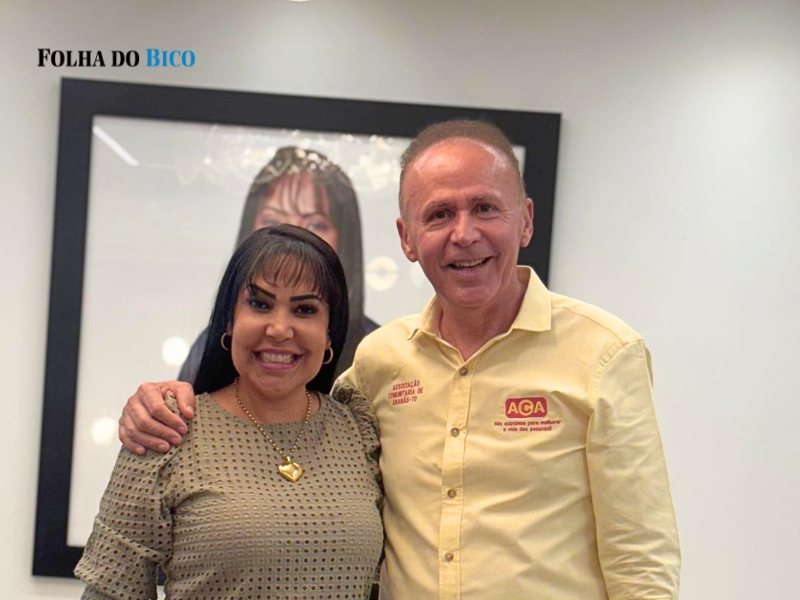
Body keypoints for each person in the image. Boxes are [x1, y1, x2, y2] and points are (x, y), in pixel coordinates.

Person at [119, 121, 681, 599]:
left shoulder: (603, 353)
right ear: (407, 238)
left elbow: (641, 563)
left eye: (485, 208)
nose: (464, 234)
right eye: (439, 215)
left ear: (526, 220)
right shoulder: (378, 362)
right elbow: (281, 410)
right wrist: (159, 401)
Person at [77, 225, 383, 599]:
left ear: (330, 333)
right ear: (229, 320)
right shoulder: (167, 431)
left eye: (305, 310)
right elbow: (109, 591)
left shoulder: (358, 431)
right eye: (260, 304)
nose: (279, 329)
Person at [178, 146, 378, 385]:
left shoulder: (378, 353)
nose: (291, 238)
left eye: (314, 225)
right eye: (273, 221)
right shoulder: (204, 351)